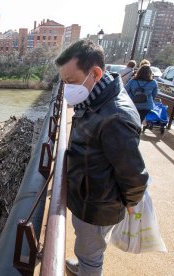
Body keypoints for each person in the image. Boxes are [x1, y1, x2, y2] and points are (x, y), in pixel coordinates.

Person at [55, 40, 149, 276]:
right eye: (64, 82)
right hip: (90, 194)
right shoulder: (95, 98)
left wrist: (131, 202)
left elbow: (134, 174)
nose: (67, 89)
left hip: (98, 204)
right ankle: (84, 263)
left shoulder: (115, 116)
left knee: (91, 255)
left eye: (71, 81)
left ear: (95, 73)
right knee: (88, 247)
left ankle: (87, 267)